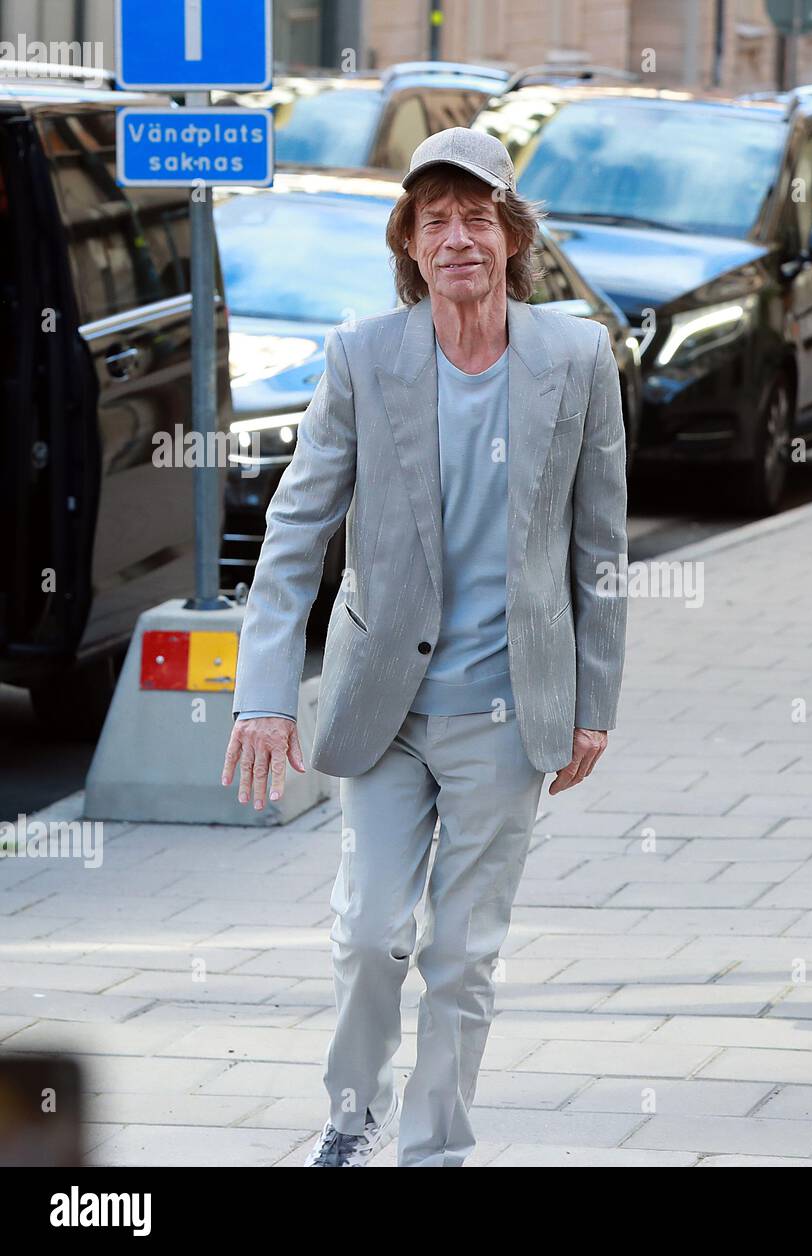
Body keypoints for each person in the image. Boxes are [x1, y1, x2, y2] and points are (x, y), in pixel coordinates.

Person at [220, 128, 628, 1162]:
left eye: (476, 218)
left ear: (510, 236)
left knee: (460, 954)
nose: (457, 240)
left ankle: (433, 1149)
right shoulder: (364, 355)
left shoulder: (576, 355)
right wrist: (264, 692)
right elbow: (297, 529)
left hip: (507, 705)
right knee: (369, 936)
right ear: (409, 242)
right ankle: (352, 1118)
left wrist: (595, 700)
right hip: (383, 706)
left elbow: (600, 548)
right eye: (434, 221)